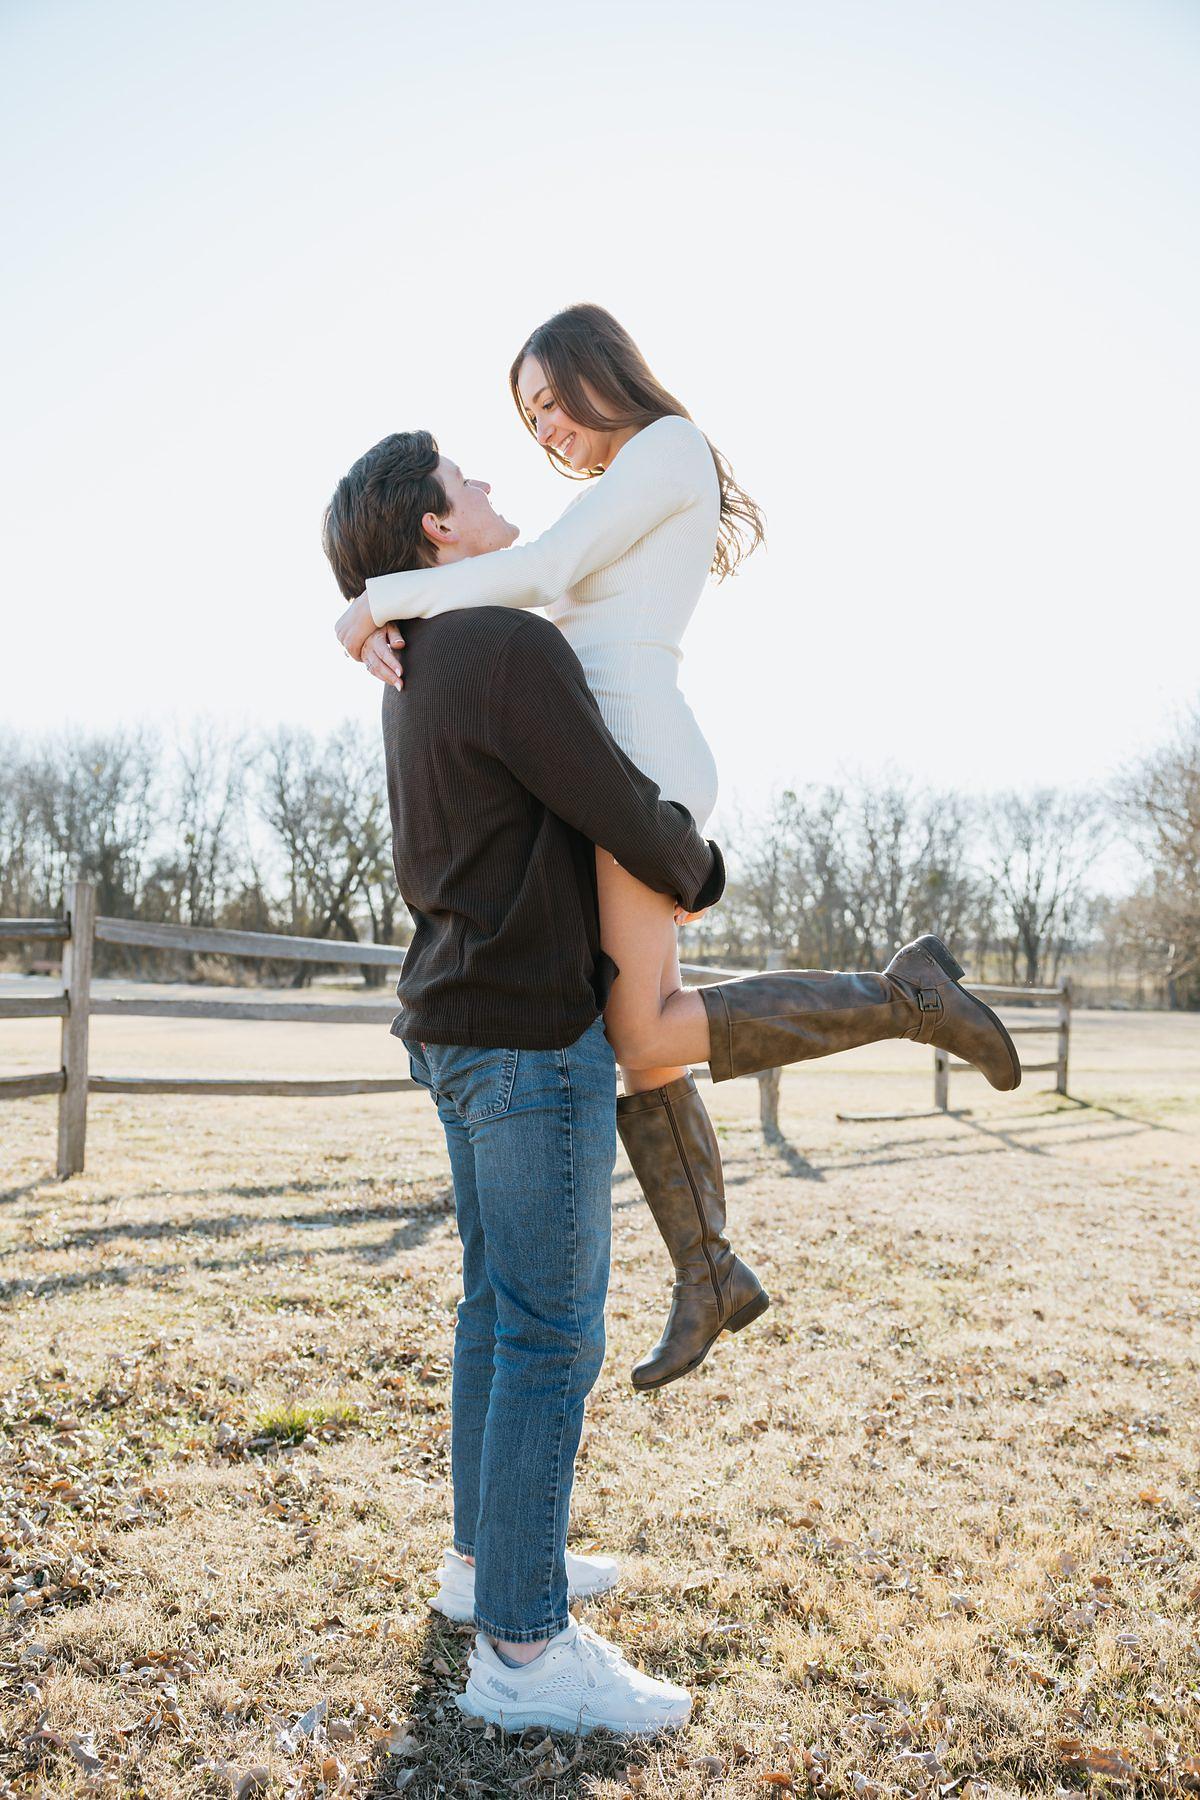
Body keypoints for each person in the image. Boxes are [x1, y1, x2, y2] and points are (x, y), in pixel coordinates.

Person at [322, 428, 1020, 1737]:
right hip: (527, 1038)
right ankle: (526, 1657)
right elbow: (613, 803)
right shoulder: (506, 648)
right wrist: (697, 875)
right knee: (546, 1333)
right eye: (467, 483)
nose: (490, 490)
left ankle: (489, 1573)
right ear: (432, 531)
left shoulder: (410, 670)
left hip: (454, 1027)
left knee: (494, 1311)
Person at [334, 303, 770, 1392]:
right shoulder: (621, 487)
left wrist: (371, 602)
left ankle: (901, 998)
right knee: (653, 1045)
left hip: (643, 770)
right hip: (611, 766)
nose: (543, 434)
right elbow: (514, 574)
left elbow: (537, 573)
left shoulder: (665, 450)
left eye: (549, 404)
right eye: (527, 419)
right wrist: (376, 612)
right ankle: (709, 1270)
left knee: (643, 1027)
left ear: (599, 372)